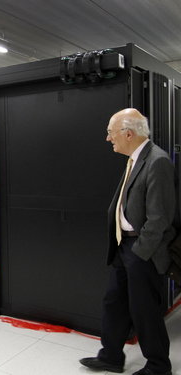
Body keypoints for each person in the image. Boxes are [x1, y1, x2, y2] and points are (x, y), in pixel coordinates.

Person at [80, 108, 176, 375]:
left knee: (144, 310)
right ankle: (111, 356)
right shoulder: (135, 159)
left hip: (142, 250)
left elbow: (160, 218)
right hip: (125, 247)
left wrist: (141, 253)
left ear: (128, 134)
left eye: (111, 133)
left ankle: (158, 366)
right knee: (115, 302)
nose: (108, 138)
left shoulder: (157, 161)